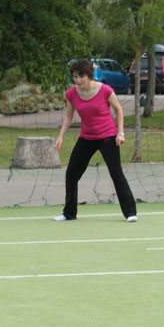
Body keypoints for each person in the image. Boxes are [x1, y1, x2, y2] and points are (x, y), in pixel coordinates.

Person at [54, 59, 137, 222]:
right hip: (86, 138)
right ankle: (69, 213)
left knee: (116, 173)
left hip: (107, 137)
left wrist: (120, 133)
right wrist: (60, 136)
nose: (78, 80)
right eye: (75, 76)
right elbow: (69, 116)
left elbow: (118, 110)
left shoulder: (105, 90)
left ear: (90, 75)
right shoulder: (71, 93)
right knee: (71, 174)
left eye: (81, 76)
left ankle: (130, 213)